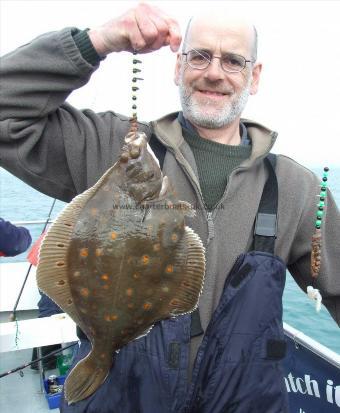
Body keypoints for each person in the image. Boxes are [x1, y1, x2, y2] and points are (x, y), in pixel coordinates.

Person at [0, 3, 339, 412]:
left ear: (255, 76)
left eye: (233, 60)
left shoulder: (296, 188)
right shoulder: (113, 146)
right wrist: (95, 42)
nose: (214, 72)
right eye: (199, 56)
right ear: (177, 67)